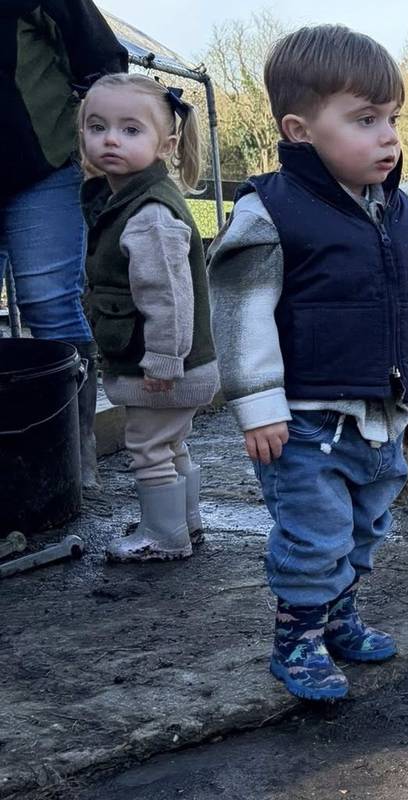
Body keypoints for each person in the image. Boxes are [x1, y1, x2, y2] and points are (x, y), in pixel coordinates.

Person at [207, 24, 408, 702]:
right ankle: (295, 641)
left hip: (380, 414)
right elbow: (240, 311)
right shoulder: (270, 211)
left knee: (364, 527)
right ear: (300, 130)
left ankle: (338, 618)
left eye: (392, 118)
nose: (388, 136)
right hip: (302, 421)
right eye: (365, 120)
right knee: (315, 534)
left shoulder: (399, 210)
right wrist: (258, 402)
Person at [79, 72, 219, 561]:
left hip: (162, 366)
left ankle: (164, 537)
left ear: (167, 143)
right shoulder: (128, 200)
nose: (110, 138)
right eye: (97, 127)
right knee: (171, 443)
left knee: (147, 446)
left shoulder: (150, 214)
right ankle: (186, 523)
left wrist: (162, 359)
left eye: (130, 129)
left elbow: (169, 296)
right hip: (175, 364)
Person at [1, 0, 128, 490]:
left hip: (43, 164)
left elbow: (102, 58)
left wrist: (102, 140)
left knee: (50, 302)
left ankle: (73, 458)